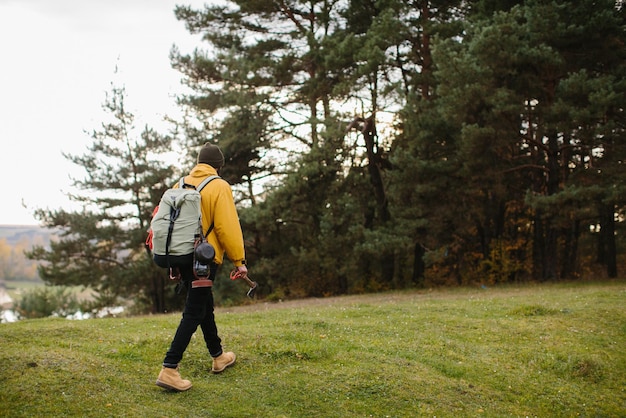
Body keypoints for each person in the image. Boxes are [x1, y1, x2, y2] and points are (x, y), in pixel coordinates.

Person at [156, 142, 248, 392]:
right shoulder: (219, 186)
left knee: (204, 305)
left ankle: (218, 356)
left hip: (181, 256)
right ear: (219, 166)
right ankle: (170, 368)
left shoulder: (180, 184)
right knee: (195, 310)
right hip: (204, 259)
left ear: (198, 163)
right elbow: (226, 227)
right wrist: (239, 261)